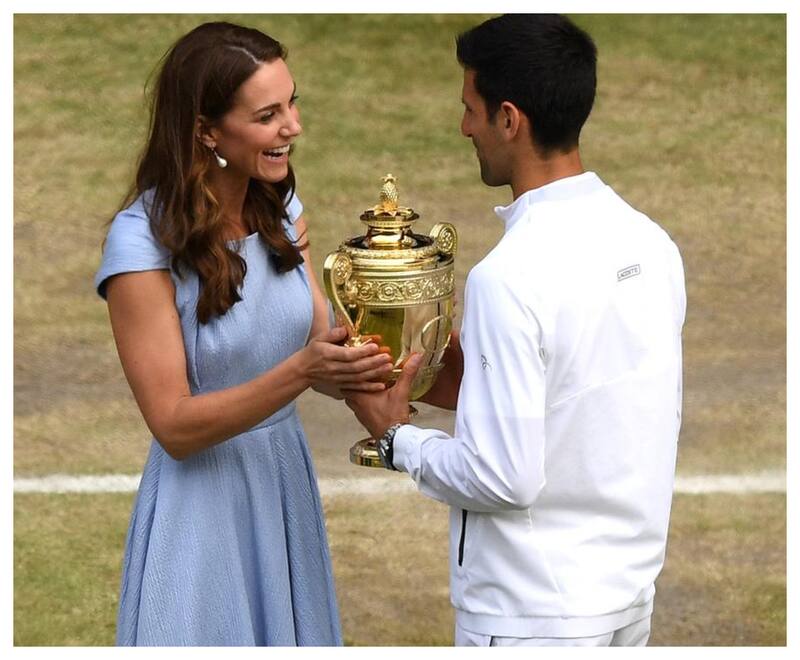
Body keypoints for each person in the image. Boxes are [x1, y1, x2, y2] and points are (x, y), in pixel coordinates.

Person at [344, 14, 686, 647]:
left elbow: (503, 477)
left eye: (470, 108)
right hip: (626, 602)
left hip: (530, 616)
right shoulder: (652, 245)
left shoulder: (509, 278)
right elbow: (578, 397)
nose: (463, 127)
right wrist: (452, 372)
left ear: (509, 118)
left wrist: (395, 437)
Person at [94, 21, 394, 646]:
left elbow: (323, 334)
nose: (293, 127)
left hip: (282, 481)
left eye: (293, 102)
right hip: (199, 509)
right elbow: (174, 425)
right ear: (206, 130)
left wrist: (404, 366)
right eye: (268, 115)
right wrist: (302, 373)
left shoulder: (280, 204)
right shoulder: (138, 244)